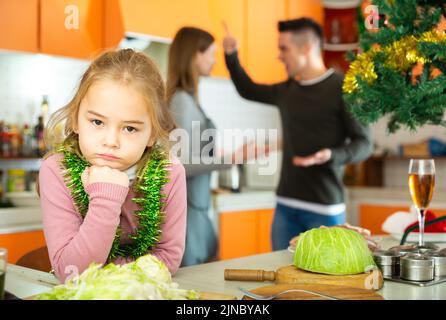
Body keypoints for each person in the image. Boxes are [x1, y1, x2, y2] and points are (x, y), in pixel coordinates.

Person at [223, 18, 373, 250]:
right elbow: (248, 89)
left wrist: (332, 155)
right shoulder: (288, 91)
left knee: (326, 281)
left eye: (284, 49)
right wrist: (232, 57)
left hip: (324, 210)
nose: (279, 56)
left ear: (306, 47)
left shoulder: (344, 88)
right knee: (282, 278)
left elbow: (364, 143)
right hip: (285, 207)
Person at [38, 49, 187, 283]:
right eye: (97, 121)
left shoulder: (170, 172)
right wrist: (107, 200)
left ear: (152, 135)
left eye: (130, 128)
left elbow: (168, 258)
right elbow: (71, 272)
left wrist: (106, 268)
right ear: (76, 119)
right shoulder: (57, 170)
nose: (110, 141)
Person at [167, 27, 234, 266]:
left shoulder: (189, 99)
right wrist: (231, 159)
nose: (215, 60)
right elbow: (179, 164)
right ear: (196, 54)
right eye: (212, 54)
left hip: (196, 207)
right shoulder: (182, 102)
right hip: (187, 214)